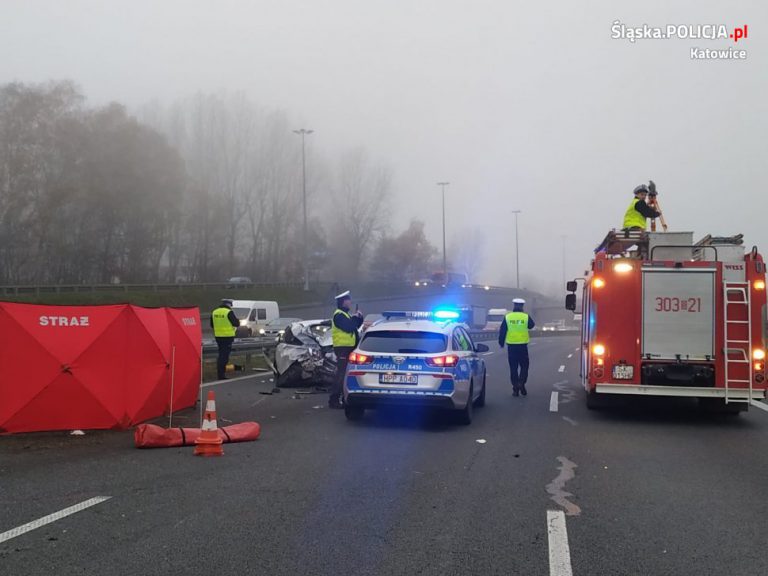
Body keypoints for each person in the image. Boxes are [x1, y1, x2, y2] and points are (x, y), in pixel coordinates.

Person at [329, 290, 363, 409]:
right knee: (341, 375)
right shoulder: (339, 315)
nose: (350, 302)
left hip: (348, 348)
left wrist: (359, 318)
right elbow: (349, 327)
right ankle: (334, 400)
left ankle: (343, 398)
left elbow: (354, 327)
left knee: (345, 374)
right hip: (343, 349)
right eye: (349, 300)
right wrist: (354, 319)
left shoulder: (345, 315)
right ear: (343, 302)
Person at [498, 298, 535, 397]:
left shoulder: (508, 317)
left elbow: (502, 330)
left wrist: (501, 342)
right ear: (522, 306)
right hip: (523, 346)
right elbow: (532, 325)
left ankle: (515, 389)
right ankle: (521, 383)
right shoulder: (526, 316)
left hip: (511, 346)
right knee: (524, 366)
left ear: (514, 306)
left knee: (513, 368)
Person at [210, 299, 239, 380]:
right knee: (224, 357)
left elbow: (212, 325)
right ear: (229, 305)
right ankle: (221, 375)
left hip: (218, 337)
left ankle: (220, 374)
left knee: (221, 355)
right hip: (227, 337)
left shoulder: (214, 312)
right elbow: (236, 323)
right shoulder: (228, 312)